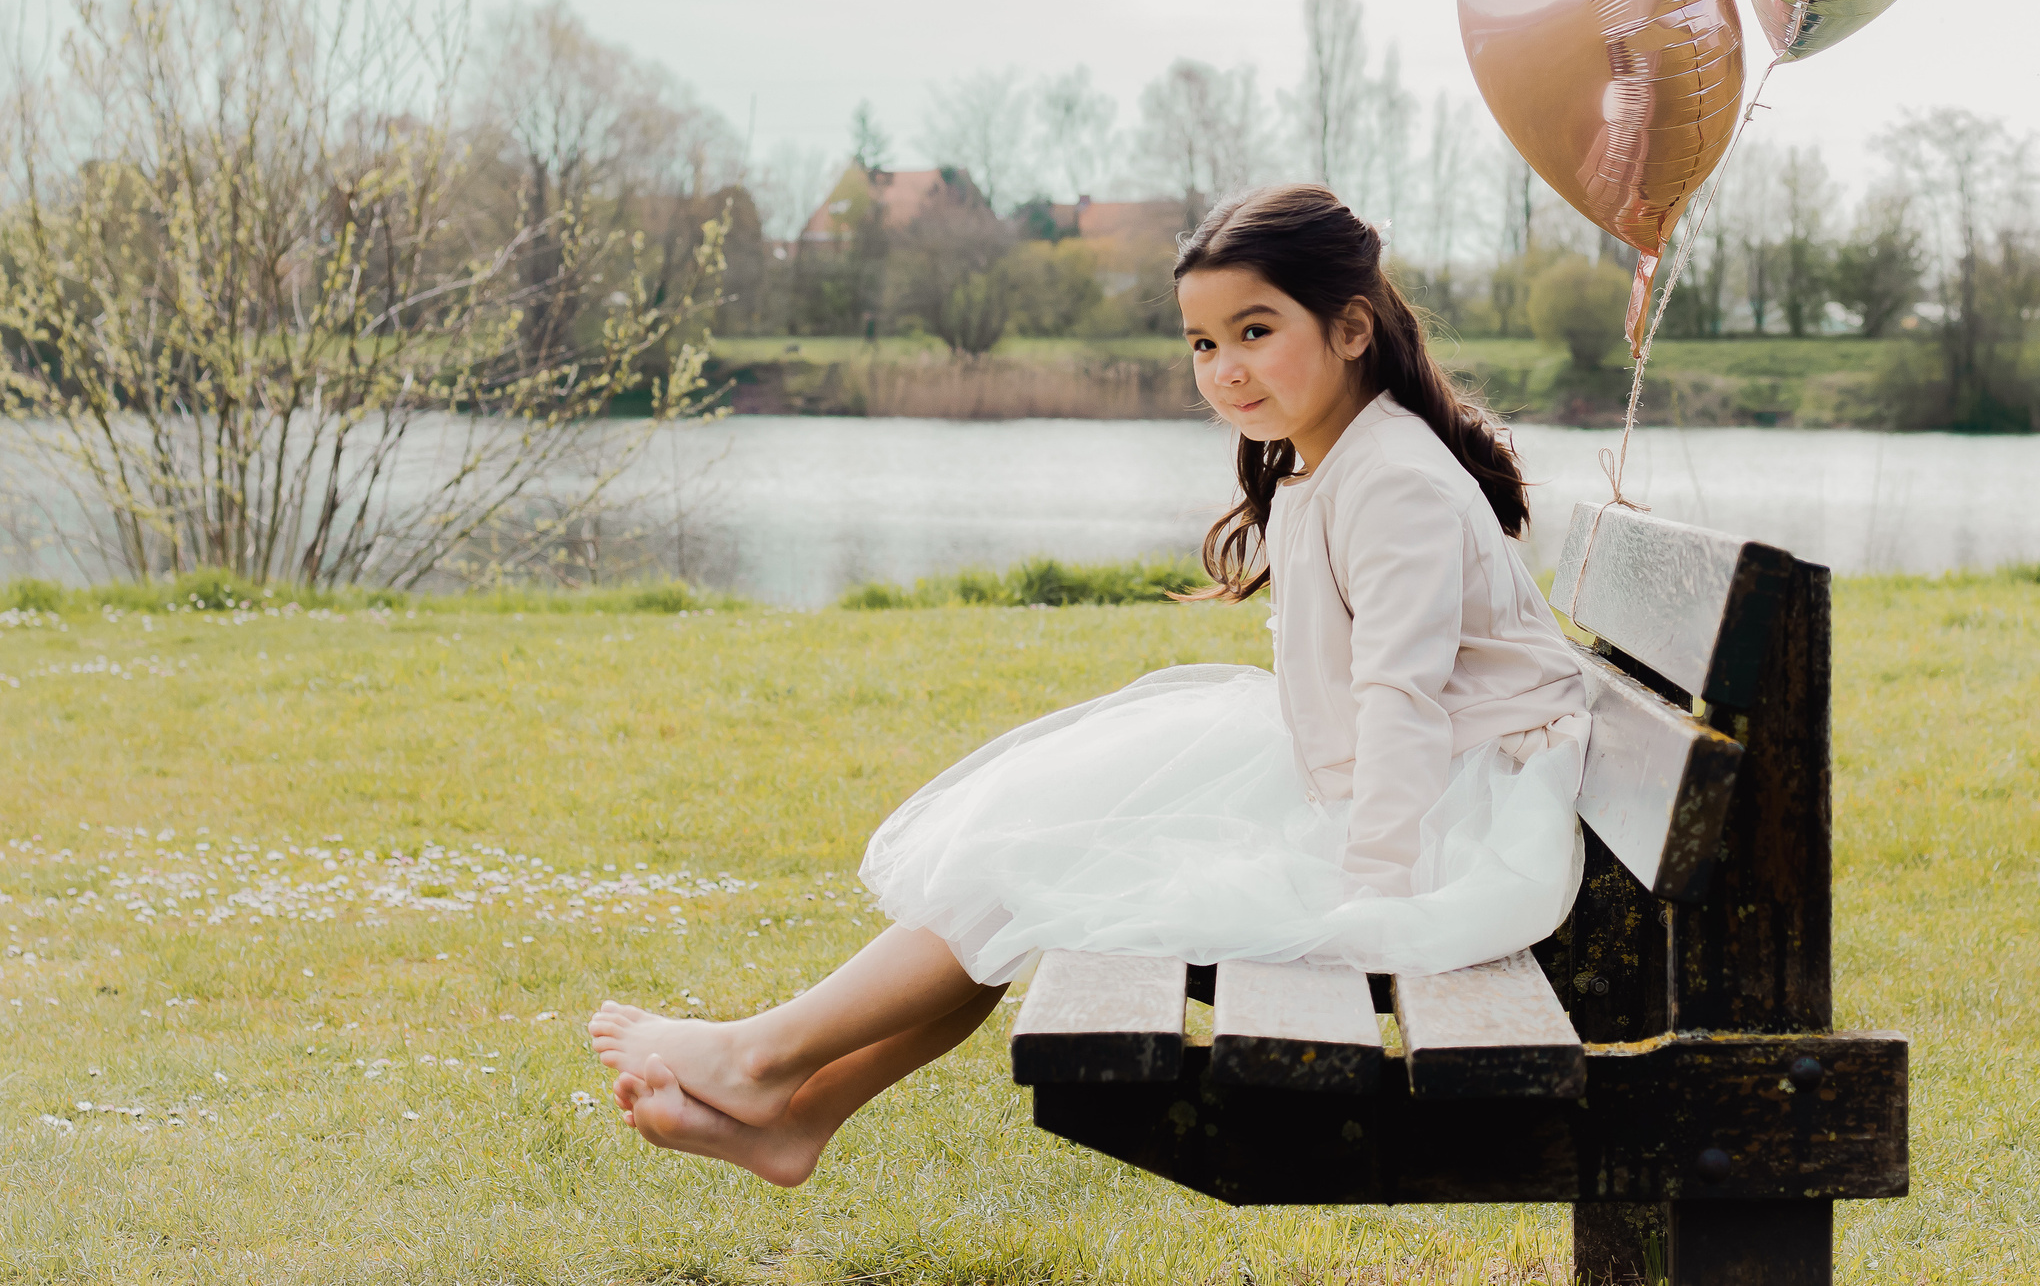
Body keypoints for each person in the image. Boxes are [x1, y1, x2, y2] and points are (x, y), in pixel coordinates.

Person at [588, 183, 1593, 1184]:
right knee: (1044, 840)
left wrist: (1367, 897)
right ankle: (790, 1106)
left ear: (1350, 328)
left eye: (1253, 330)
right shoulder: (1329, 459)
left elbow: (1401, 705)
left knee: (1052, 862)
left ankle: (764, 1061)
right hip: (1386, 773)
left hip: (1450, 814)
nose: (1224, 369)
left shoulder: (1394, 483)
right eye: (1202, 343)